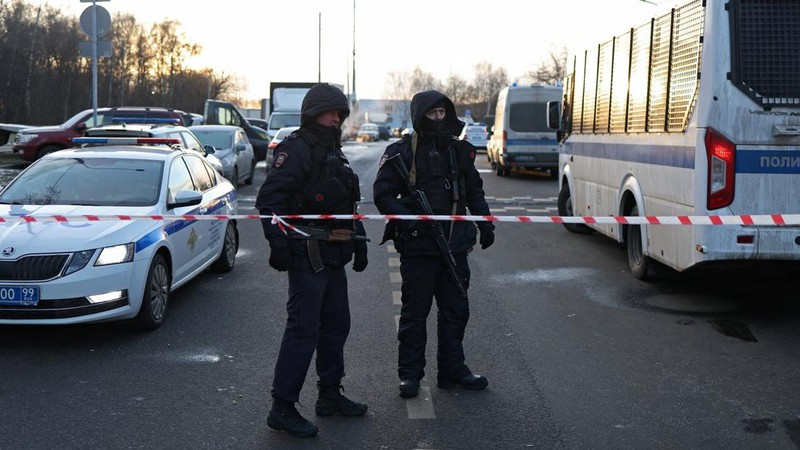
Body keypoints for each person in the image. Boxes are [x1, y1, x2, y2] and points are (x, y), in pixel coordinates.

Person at [256, 83, 369, 438]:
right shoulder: (298, 149)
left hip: (334, 253)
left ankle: (330, 395)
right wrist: (278, 245)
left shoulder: (335, 151)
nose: (337, 119)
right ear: (313, 113)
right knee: (303, 330)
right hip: (306, 253)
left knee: (337, 324)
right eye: (331, 112)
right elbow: (269, 201)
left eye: (340, 114)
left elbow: (345, 201)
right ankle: (282, 406)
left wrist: (358, 239)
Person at [373, 90, 495, 399]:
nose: (439, 119)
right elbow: (383, 195)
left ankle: (453, 370)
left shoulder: (461, 151)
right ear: (420, 116)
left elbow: (475, 191)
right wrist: (411, 219)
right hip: (418, 249)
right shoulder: (402, 153)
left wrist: (484, 222)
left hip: (454, 246)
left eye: (443, 113)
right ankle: (410, 375)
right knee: (415, 314)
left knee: (456, 311)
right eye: (432, 113)